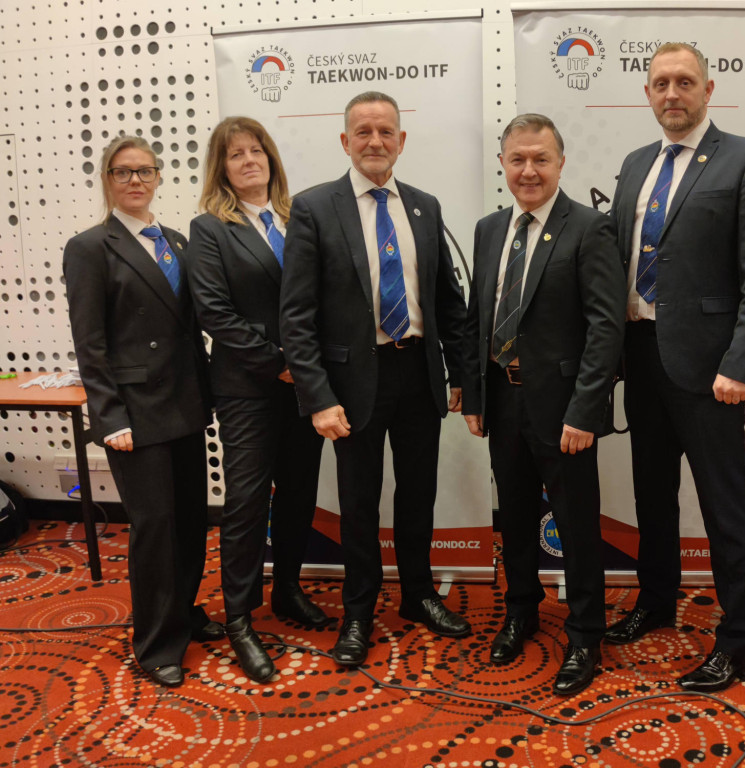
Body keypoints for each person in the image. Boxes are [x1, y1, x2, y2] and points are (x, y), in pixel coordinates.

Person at [606, 42, 745, 693]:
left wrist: (744, 361)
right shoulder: (635, 165)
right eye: (661, 83)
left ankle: (738, 639)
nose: (672, 93)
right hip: (641, 356)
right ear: (647, 94)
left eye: (685, 81)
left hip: (711, 370)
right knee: (652, 495)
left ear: (708, 89)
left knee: (723, 504)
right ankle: (656, 601)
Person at [280, 91, 469, 667]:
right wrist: (317, 396)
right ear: (345, 141)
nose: (375, 141)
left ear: (402, 141)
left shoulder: (425, 207)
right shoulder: (314, 208)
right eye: (363, 131)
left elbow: (447, 300)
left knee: (418, 493)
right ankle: (359, 611)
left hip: (418, 372)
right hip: (352, 383)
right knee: (359, 502)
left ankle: (418, 595)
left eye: (386, 131)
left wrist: (462, 373)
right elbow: (296, 315)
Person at [462, 114, 625, 696]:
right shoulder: (488, 229)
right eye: (518, 160)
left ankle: (585, 633)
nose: (528, 171)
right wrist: (474, 394)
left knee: (576, 524)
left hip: (564, 410)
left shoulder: (590, 228)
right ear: (502, 164)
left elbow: (606, 328)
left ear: (560, 163)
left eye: (541, 159)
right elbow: (479, 318)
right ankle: (521, 612)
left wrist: (585, 411)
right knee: (513, 516)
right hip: (502, 400)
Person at [63, 135, 219, 688]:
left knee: (191, 520)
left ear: (158, 177)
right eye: (123, 171)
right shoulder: (90, 247)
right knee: (154, 528)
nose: (135, 180)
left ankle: (184, 611)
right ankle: (156, 643)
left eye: (144, 171)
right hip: (136, 414)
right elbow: (90, 343)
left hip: (186, 403)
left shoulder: (176, 241)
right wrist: (109, 419)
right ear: (107, 179)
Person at [187, 117, 328, 684]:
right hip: (247, 388)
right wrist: (280, 363)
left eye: (256, 151)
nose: (249, 161)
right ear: (221, 168)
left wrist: (311, 368)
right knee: (247, 503)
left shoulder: (300, 219)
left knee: (299, 491)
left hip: (308, 385)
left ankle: (287, 589)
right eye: (235, 154)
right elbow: (214, 313)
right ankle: (240, 618)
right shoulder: (209, 229)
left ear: (270, 159)